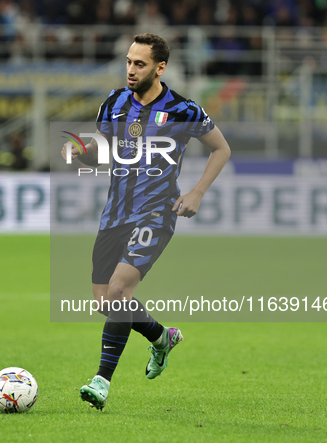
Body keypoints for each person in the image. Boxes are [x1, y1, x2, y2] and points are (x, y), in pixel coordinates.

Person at [61, 33, 231, 410]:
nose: (131, 70)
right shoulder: (114, 102)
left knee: (120, 292)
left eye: (139, 63)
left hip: (156, 214)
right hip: (113, 216)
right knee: (106, 302)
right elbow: (104, 153)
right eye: (128, 61)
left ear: (160, 67)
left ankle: (101, 381)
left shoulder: (183, 110)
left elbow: (222, 148)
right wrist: (80, 153)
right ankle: (161, 337)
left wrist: (197, 192)